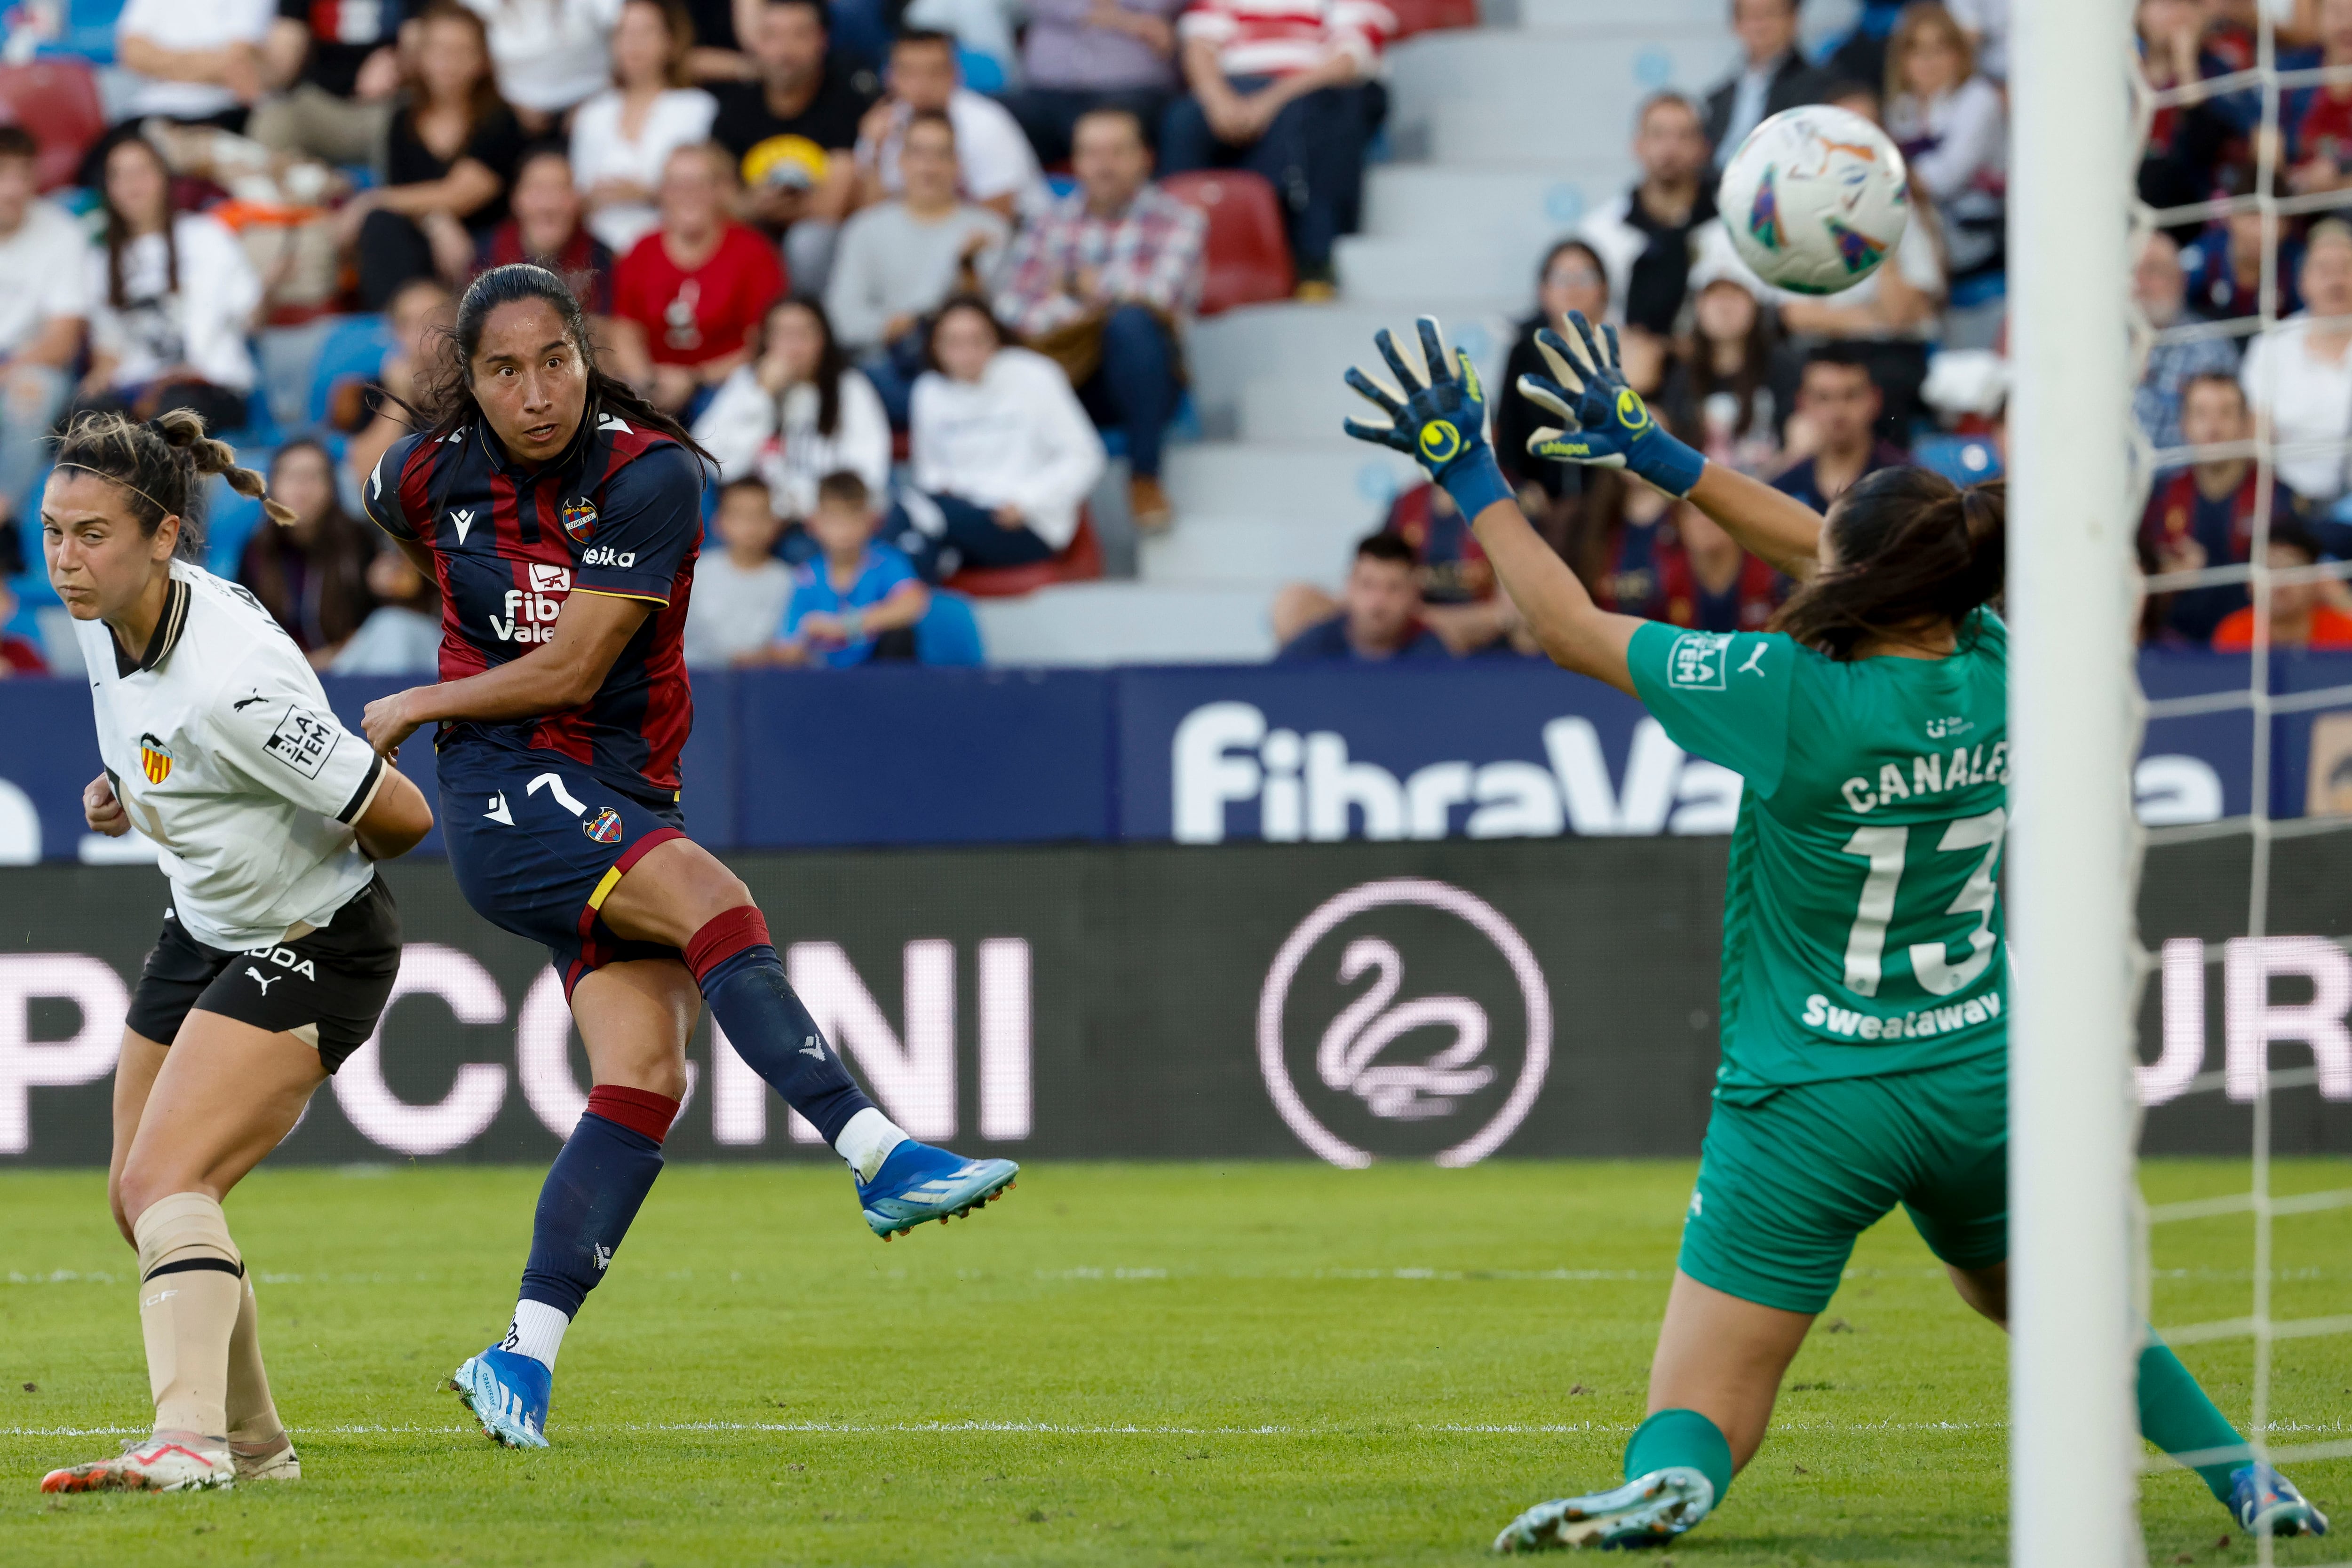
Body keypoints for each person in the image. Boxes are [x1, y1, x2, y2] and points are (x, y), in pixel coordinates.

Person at [1337, 310, 2332, 1551]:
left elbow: (1572, 628)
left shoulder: (1795, 696)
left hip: (1814, 1091)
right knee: (2068, 1313)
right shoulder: (1997, 658)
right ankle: (2246, 1475)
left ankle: (1679, 1483)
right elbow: (1843, 553)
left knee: (1704, 1394)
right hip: (1979, 1072)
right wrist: (1656, 454)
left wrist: (1465, 469)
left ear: (1855, 581)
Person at [354, 263, 1017, 1450]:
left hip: (611, 784)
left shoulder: (649, 476)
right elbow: (403, 523)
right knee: (716, 898)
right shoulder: (419, 472)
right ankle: (875, 1153)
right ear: (472, 379)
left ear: (584, 352)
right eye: (504, 371)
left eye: (554, 359)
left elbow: (569, 667)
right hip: (505, 789)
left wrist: (421, 694)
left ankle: (521, 1355)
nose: (537, 392)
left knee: (648, 1078)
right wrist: (456, 681)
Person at [34, 409, 435, 1493]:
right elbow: (155, 735)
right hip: (203, 923)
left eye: (91, 535)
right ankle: (256, 1448)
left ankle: (191, 1440)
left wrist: (255, 792)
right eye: (52, 531)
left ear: (163, 536)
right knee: (141, 1195)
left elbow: (401, 815)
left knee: (172, 1174)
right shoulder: (101, 607)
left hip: (319, 938)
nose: (66, 559)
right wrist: (138, 793)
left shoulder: (238, 685)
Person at [994, 106, 1204, 533]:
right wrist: (1089, 296)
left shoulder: (1179, 220)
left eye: (1116, 152)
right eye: (1091, 153)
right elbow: (1011, 307)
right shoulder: (1046, 221)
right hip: (1065, 372)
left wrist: (1067, 288)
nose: (1103, 166)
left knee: (1132, 326)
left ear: (1144, 157)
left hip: (1136, 379)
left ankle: (1145, 478)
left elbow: (1155, 297)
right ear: (1076, 161)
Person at [1159, 0, 1391, 294]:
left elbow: (1349, 61)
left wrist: (1271, 101)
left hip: (1309, 88)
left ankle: (1313, 260)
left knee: (1314, 120)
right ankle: (1172, 250)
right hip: (1233, 89)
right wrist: (1217, 101)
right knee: (1182, 122)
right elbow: (1199, 45)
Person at [888, 294, 1106, 581]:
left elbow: (1086, 457)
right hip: (957, 516)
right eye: (954, 342)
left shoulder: (1034, 375)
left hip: (1026, 523)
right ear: (935, 346)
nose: (967, 352)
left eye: (977, 339)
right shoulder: (928, 390)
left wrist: (1028, 500)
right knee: (914, 551)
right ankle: (892, 620)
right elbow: (930, 473)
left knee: (904, 513)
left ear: (995, 339)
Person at [343, 2, 528, 310]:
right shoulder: (402, 120)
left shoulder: (501, 119)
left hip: (486, 243)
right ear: (422, 58)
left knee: (378, 212)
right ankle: (400, 329)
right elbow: (405, 198)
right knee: (382, 225)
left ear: (482, 60)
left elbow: (461, 194)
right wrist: (437, 222)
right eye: (439, 51)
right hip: (426, 240)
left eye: (462, 52)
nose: (449, 63)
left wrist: (371, 200)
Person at [79, 136, 265, 435]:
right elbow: (109, 350)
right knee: (81, 420)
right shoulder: (99, 262)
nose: (131, 184)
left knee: (173, 414)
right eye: (120, 175)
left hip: (210, 387)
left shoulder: (206, 236)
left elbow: (250, 315)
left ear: (165, 179)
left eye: (141, 172)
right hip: (138, 392)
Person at [826, 109, 1008, 395]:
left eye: (941, 155)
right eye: (918, 153)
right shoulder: (865, 229)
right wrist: (892, 327)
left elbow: (1005, 316)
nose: (929, 167)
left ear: (958, 164)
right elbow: (841, 318)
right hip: (887, 365)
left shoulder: (990, 230)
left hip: (969, 365)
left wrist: (969, 269)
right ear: (901, 162)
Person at [693, 294, 892, 548]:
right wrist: (762, 395)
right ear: (766, 340)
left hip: (822, 523)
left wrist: (803, 509)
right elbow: (714, 462)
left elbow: (867, 473)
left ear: (824, 340)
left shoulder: (850, 389)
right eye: (782, 334)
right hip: (754, 522)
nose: (792, 347)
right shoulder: (748, 382)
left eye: (803, 335)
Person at [610, 142, 789, 416]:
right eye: (676, 184)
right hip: (650, 388)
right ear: (663, 193)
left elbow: (760, 344)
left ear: (720, 191)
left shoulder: (755, 253)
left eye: (699, 184)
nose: (687, 195)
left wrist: (694, 379)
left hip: (723, 389)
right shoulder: (641, 250)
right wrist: (648, 383)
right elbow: (624, 329)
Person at [710, 0, 875, 294]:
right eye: (772, 36)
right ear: (756, 43)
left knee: (808, 240)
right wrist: (748, 207)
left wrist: (755, 206)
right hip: (754, 226)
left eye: (799, 35)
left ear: (822, 40)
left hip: (826, 240)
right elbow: (714, 190)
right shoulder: (735, 106)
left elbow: (831, 207)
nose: (785, 51)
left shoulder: (846, 102)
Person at [2140, 374, 2294, 646]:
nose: (2213, 427)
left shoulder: (2278, 497)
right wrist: (2165, 578)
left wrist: (2204, 570)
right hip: (2170, 652)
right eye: (2201, 414)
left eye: (2226, 414)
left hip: (2253, 650)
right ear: (2184, 425)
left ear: (2247, 424)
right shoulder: (2159, 497)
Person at [570, 0, 723, 254]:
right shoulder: (591, 114)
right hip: (597, 254)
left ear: (671, 42)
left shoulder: (698, 108)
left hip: (675, 250)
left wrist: (646, 194)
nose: (634, 43)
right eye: (624, 33)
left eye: (646, 32)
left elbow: (712, 190)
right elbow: (577, 193)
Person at [0, 127, 89, 547]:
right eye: (3, 173)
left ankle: (3, 519)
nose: (13, 188)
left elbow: (63, 339)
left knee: (29, 393)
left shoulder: (60, 232)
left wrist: (9, 370)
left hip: (30, 361)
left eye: (22, 174)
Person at [854, 30, 1046, 223]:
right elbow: (873, 221)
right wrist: (876, 153)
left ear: (954, 74)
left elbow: (997, 218)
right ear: (891, 79)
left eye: (934, 72)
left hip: (1017, 236)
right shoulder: (882, 125)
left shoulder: (987, 123)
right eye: (910, 73)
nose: (922, 84)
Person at [1882, 2, 2005, 288]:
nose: (1928, 63)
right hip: (1934, 255)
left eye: (1939, 50)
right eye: (1917, 52)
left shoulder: (1979, 98)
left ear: (1959, 55)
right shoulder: (1901, 109)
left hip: (1982, 257)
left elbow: (1944, 178)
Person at [1578, 93, 1716, 339]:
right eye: (1658, 135)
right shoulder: (1600, 233)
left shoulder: (1731, 232)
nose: (1670, 149)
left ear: (1703, 148)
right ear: (1637, 145)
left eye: (1683, 136)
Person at [237, 440, 379, 667]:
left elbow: (374, 626)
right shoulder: (257, 550)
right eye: (292, 476)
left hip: (351, 667)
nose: (302, 488)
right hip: (282, 672)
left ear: (332, 485)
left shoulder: (358, 541)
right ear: (271, 486)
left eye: (314, 476)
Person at [2241, 219, 2352, 505]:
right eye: (2324, 270)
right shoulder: (2271, 348)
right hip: (2287, 506)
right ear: (2302, 281)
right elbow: (2256, 442)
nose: (2336, 281)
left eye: (2346, 269)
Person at [1001, 0, 1187, 167]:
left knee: (1116, 132)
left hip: (1131, 87)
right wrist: (1128, 21)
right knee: (994, 116)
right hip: (1047, 86)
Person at [772, 469, 929, 665]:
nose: (844, 531)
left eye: (853, 519)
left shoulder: (887, 562)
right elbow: (785, 648)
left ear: (871, 520)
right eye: (834, 520)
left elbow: (913, 604)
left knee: (900, 636)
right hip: (825, 684)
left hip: (878, 679)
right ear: (815, 523)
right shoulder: (806, 577)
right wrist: (804, 641)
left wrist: (844, 626)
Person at [1497, 240, 1610, 510]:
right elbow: (1509, 433)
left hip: (1609, 504)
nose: (1573, 288)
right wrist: (1525, 488)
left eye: (1585, 277)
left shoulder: (1626, 352)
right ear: (1543, 290)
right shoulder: (1524, 353)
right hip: (1541, 503)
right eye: (1561, 278)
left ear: (1604, 288)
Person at [251, 0, 406, 167]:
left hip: (390, 102)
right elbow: (287, 43)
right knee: (273, 124)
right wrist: (264, 69)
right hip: (318, 99)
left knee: (404, 129)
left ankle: (393, 194)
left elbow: (426, 29)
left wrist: (400, 59)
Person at [347, 279, 461, 498]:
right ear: (395, 333)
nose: (422, 333)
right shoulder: (376, 391)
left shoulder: (477, 385)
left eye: (432, 320)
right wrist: (400, 398)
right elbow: (364, 477)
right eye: (407, 323)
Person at [2134, 229, 2242, 456]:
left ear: (2180, 279)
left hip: (2178, 488)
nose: (2140, 283)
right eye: (2131, 270)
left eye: (2153, 270)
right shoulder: (2093, 347)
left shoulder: (2211, 348)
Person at [1663, 269, 1782, 475]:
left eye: (1735, 296)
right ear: (1699, 307)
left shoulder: (1781, 365)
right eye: (1715, 297)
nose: (1725, 307)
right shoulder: (1683, 375)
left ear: (1755, 305)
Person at [477, 146, 620, 317]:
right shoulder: (487, 254)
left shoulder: (602, 260)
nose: (549, 205)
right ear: (516, 200)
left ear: (577, 200)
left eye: (560, 190)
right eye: (538, 190)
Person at [1274, 531, 1451, 662]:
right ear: (1349, 587)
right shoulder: (1309, 651)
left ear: (1414, 594)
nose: (1379, 601)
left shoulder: (1434, 659)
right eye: (1368, 585)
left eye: (1394, 588)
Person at [1772, 347, 1908, 514]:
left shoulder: (1907, 485)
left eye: (1851, 396)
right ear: (1802, 403)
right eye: (1824, 398)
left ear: (1875, 400)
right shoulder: (1782, 490)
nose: (1838, 412)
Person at [458, 0, 628, 132]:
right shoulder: (477, 7)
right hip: (506, 112)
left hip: (593, 107)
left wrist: (594, 106)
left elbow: (630, 44)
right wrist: (511, 107)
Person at [1701, 0, 1833, 164]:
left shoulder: (1821, 88)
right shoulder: (1718, 97)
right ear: (1736, 24)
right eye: (1752, 16)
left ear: (1794, 20)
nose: (1761, 26)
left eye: (1770, 14)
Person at [116, 0, 276, 134]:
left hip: (222, 111)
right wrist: (210, 61)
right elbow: (131, 53)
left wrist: (160, 60)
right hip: (150, 110)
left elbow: (237, 61)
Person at [683, 476, 795, 665]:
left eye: (760, 515)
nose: (751, 526)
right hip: (700, 681)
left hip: (764, 682)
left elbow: (788, 644)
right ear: (719, 522)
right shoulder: (695, 574)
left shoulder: (788, 581)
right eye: (740, 515)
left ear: (775, 523)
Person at [2211, 517, 2352, 651]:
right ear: (2249, 583)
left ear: (2316, 579)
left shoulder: (2344, 634)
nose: (2280, 583)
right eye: (2269, 570)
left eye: (2292, 570)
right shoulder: (2233, 635)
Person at [1652, 499, 1786, 633]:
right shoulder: (1665, 583)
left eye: (1713, 512)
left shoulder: (1773, 576)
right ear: (1679, 523)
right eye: (1695, 513)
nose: (1704, 522)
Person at [331, 546, 446, 674]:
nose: (390, 566)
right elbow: (337, 671)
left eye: (400, 563)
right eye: (386, 557)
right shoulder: (381, 619)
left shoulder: (397, 624)